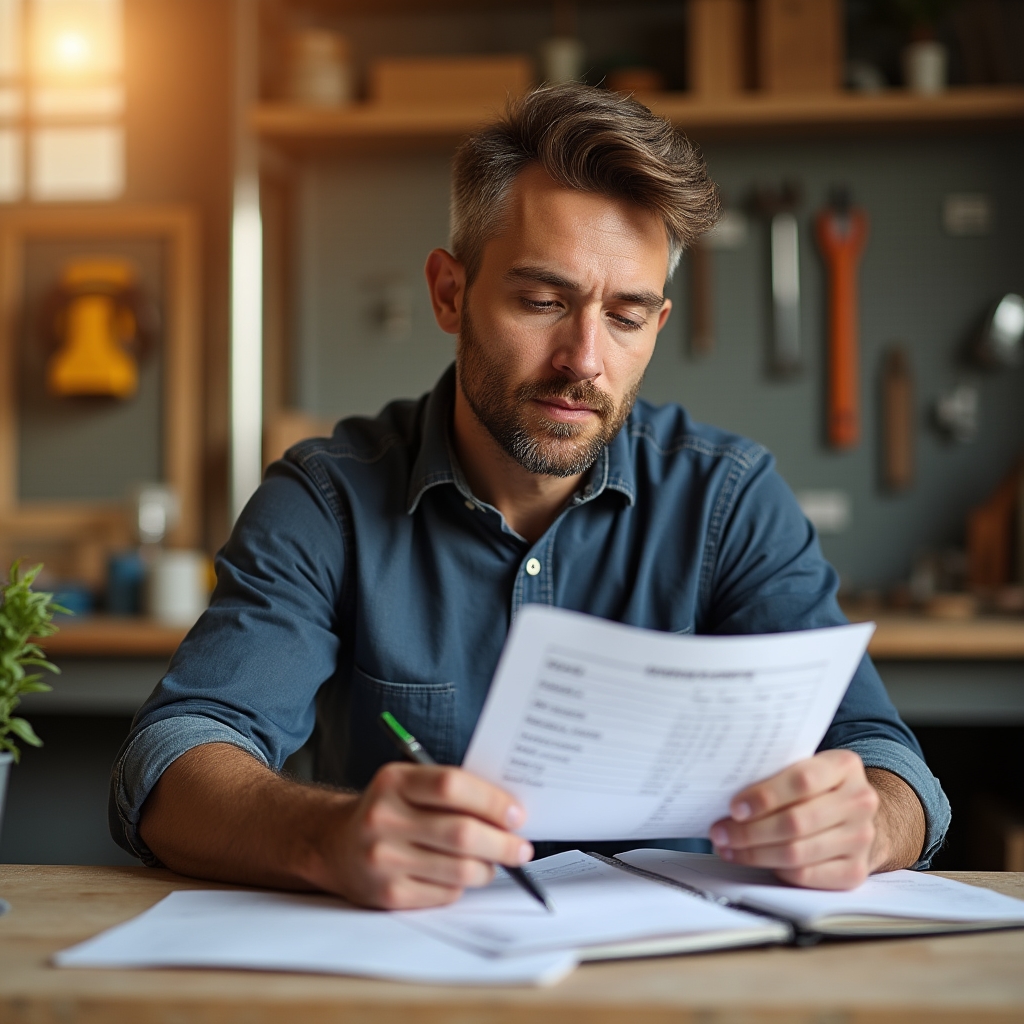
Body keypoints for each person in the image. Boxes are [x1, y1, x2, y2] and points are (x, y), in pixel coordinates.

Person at [111, 84, 949, 909]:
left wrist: (868, 822)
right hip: (416, 965)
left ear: (657, 326)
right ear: (449, 293)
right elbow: (175, 756)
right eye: (543, 301)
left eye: (625, 317)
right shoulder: (326, 502)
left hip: (675, 967)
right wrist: (324, 835)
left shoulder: (729, 501)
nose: (583, 358)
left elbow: (886, 760)